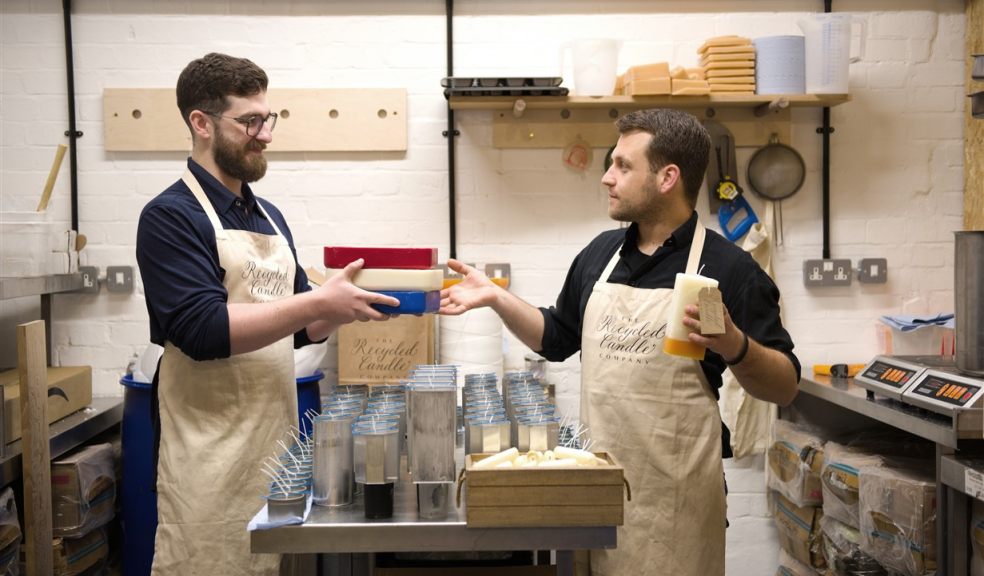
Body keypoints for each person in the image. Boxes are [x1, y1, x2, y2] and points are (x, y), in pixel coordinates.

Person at [440, 108, 800, 576]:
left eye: (623, 166)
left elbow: (784, 387)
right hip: (596, 493)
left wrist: (734, 344)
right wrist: (496, 297)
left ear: (668, 177)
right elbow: (555, 338)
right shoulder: (600, 254)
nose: (607, 178)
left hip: (678, 503)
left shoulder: (727, 269)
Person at [135, 53, 399, 575]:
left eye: (268, 118)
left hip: (274, 457)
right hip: (207, 466)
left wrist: (349, 306)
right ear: (201, 123)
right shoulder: (170, 216)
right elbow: (203, 330)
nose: (266, 135)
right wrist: (318, 301)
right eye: (250, 121)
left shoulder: (267, 216)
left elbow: (299, 327)